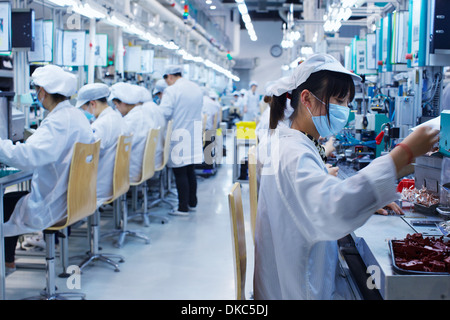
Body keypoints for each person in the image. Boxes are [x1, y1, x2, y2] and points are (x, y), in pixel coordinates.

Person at [253, 53, 439, 300]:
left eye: (346, 102)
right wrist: (400, 157)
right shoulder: (293, 153)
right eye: (339, 100)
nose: (344, 110)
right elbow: (332, 209)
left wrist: (367, 199)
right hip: (300, 289)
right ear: (306, 98)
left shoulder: (292, 143)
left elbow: (318, 196)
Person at [1, 65, 95, 274]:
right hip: (74, 198)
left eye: (37, 91)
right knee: (12, 199)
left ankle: (6, 265)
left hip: (55, 203)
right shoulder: (76, 116)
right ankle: (8, 262)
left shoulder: (58, 122)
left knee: (5, 202)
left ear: (42, 92)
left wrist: (1, 146)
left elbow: (27, 157)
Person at [159, 65, 203, 216]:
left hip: (179, 134)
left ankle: (182, 208)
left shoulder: (172, 90)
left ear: (170, 76)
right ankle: (192, 202)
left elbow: (164, 113)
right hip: (193, 134)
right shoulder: (195, 88)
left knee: (180, 172)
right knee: (190, 170)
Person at [76, 83, 128, 206]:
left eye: (84, 108)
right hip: (117, 182)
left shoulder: (101, 124)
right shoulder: (117, 117)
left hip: (100, 187)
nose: (85, 112)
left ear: (92, 104)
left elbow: (86, 157)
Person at [110, 82, 157, 183]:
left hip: (131, 171)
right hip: (143, 167)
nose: (116, 108)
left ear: (123, 103)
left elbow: (118, 147)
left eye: (116, 105)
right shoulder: (142, 113)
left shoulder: (131, 120)